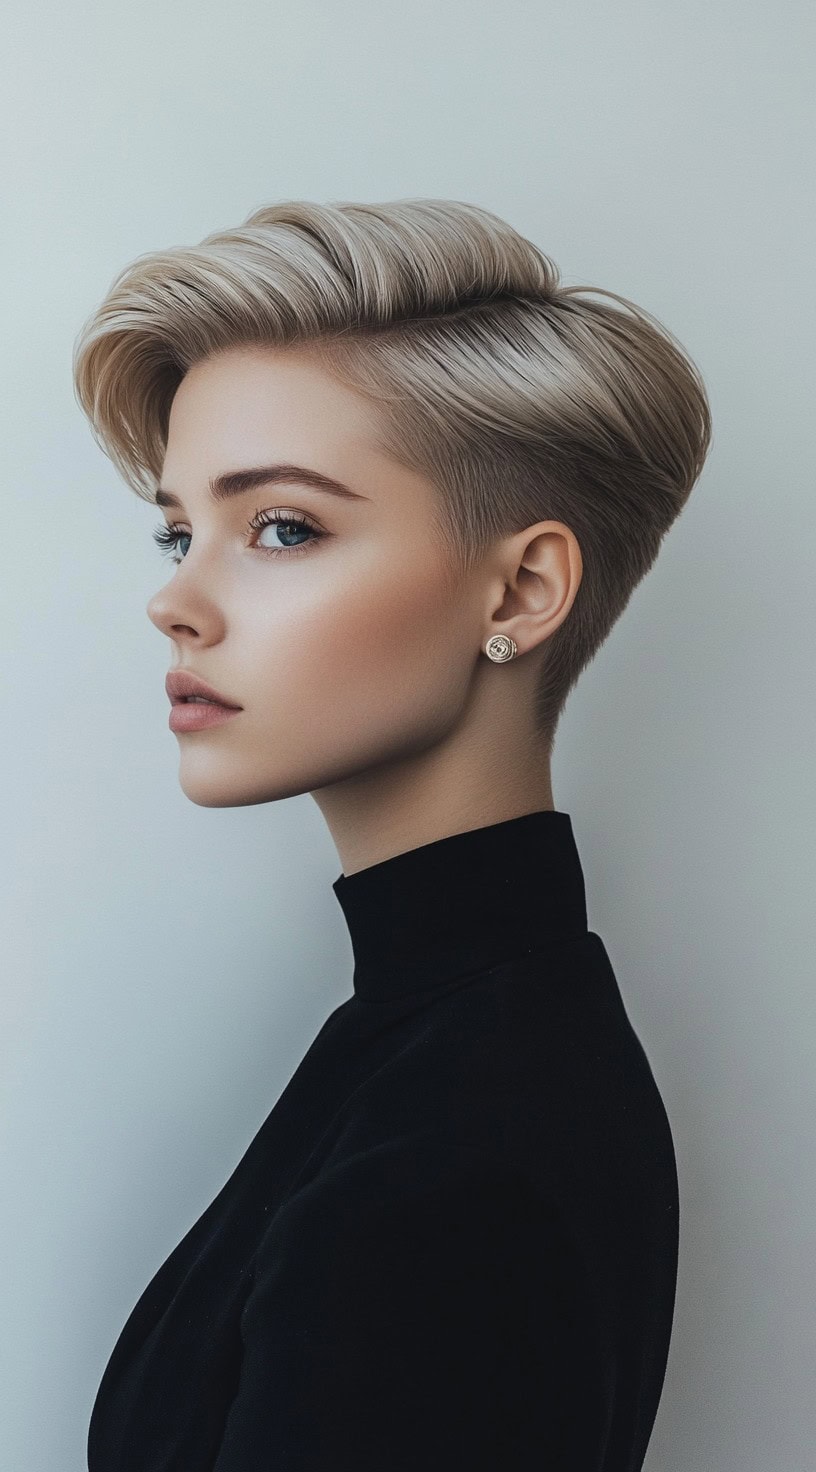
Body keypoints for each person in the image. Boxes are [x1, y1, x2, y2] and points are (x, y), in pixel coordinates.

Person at [73, 196, 711, 1470]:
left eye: (284, 527)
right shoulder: (452, 1044)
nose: (175, 599)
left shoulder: (455, 1157)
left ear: (523, 588)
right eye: (179, 527)